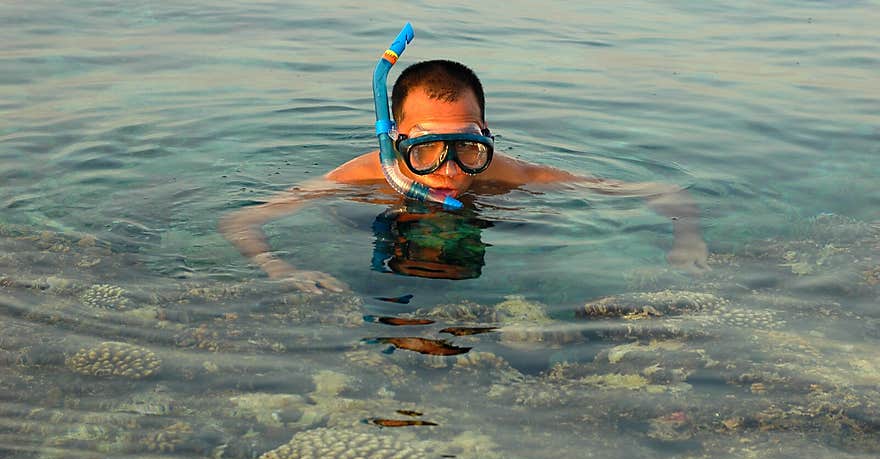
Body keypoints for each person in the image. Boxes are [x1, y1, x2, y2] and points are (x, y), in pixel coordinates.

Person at [220, 59, 709, 295]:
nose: (449, 170)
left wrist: (687, 240)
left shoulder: (506, 174)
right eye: (426, 149)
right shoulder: (362, 177)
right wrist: (280, 268)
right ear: (395, 141)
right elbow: (241, 221)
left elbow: (664, 192)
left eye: (468, 149)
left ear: (487, 137)